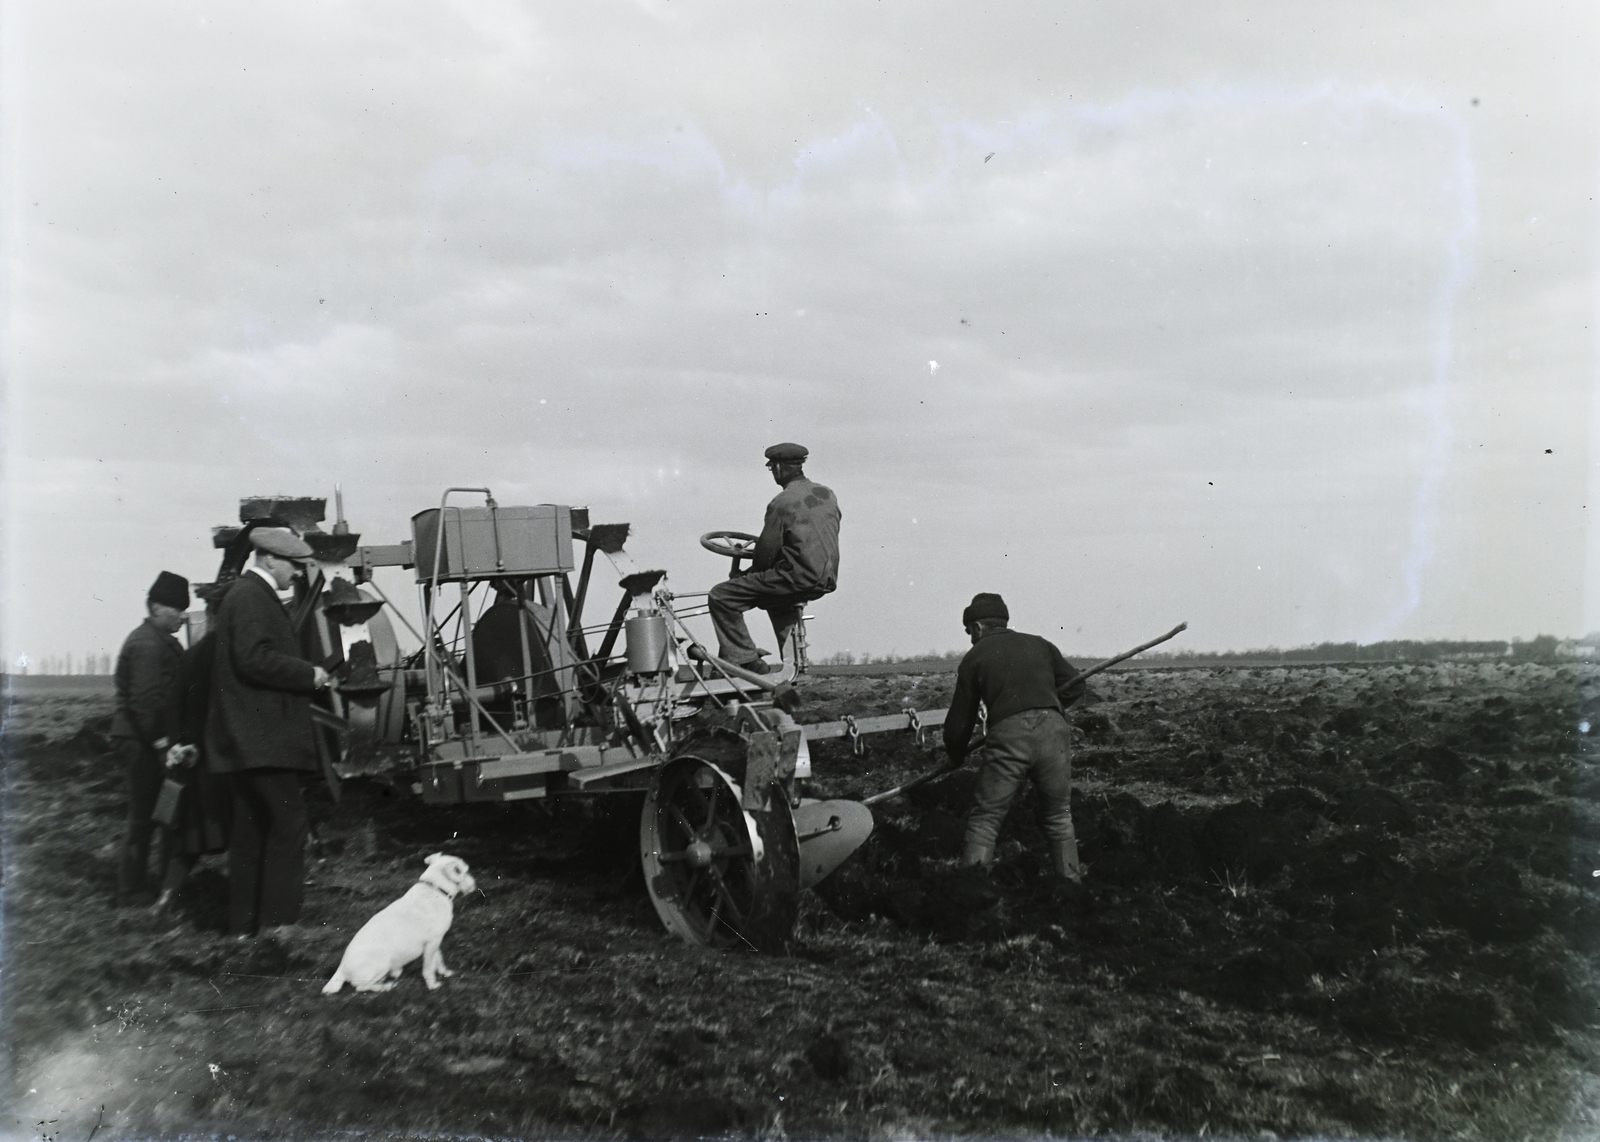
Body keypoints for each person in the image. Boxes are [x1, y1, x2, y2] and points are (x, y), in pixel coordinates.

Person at [206, 527, 331, 936]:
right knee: (289, 824)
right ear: (269, 559)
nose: (297, 574)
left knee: (251, 831)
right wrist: (307, 674)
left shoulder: (245, 596)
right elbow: (253, 659)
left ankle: (243, 925)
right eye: (294, 565)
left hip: (246, 740)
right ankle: (280, 924)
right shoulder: (250, 597)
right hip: (262, 740)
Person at [940, 593, 1086, 880]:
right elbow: (1075, 686)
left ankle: (970, 893)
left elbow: (959, 724)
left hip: (1009, 735)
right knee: (1058, 817)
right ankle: (1072, 888)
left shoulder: (975, 657)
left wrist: (955, 754)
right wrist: (1045, 705)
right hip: (1054, 732)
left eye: (969, 632)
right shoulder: (1040, 644)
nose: (970, 638)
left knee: (985, 821)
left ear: (978, 628)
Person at [707, 442, 841, 673]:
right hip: (825, 578)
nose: (773, 474)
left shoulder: (782, 502)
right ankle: (794, 663)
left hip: (796, 576)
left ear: (779, 467)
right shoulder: (827, 494)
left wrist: (744, 575)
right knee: (776, 597)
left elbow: (765, 553)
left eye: (772, 469)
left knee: (721, 595)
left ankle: (743, 659)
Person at [110, 571, 190, 905]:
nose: (183, 616)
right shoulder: (146, 644)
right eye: (177, 609)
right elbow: (144, 703)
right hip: (143, 743)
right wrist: (161, 745)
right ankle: (131, 890)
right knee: (144, 817)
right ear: (156, 607)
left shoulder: (159, 640)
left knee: (166, 813)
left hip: (153, 742)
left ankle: (156, 885)